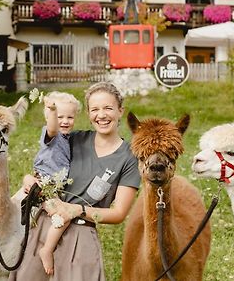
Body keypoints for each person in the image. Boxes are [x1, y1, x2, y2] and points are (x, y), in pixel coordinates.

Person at [10, 81, 141, 281]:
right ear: (88, 114)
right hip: (45, 227)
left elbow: (118, 214)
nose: (102, 115)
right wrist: (29, 178)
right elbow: (48, 163)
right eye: (95, 109)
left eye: (108, 108)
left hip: (81, 235)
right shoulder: (73, 139)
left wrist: (77, 210)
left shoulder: (129, 157)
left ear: (120, 111)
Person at [21, 91, 82, 276]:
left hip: (53, 186)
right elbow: (53, 127)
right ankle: (46, 249)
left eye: (70, 117)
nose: (64, 120)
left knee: (64, 211)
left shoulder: (67, 139)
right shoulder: (52, 134)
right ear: (48, 117)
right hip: (44, 184)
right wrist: (53, 110)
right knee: (64, 214)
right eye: (59, 116)